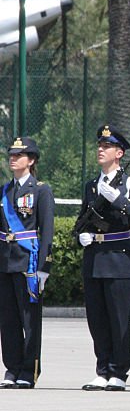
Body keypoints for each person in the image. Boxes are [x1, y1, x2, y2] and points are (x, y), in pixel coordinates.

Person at [77, 125, 130, 391]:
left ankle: (119, 371)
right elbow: (82, 220)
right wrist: (82, 236)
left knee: (119, 320)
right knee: (97, 319)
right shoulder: (90, 186)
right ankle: (102, 369)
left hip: (119, 259)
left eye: (107, 146)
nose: (101, 149)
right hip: (94, 258)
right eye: (99, 145)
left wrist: (120, 200)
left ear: (119, 153)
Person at [0, 137, 54, 389]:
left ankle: (28, 370)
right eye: (11, 155)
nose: (13, 159)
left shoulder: (41, 190)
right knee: (8, 320)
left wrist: (44, 267)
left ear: (31, 160)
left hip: (28, 264)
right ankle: (11, 368)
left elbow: (47, 231)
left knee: (29, 320)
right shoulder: (5, 191)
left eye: (19, 155)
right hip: (5, 263)